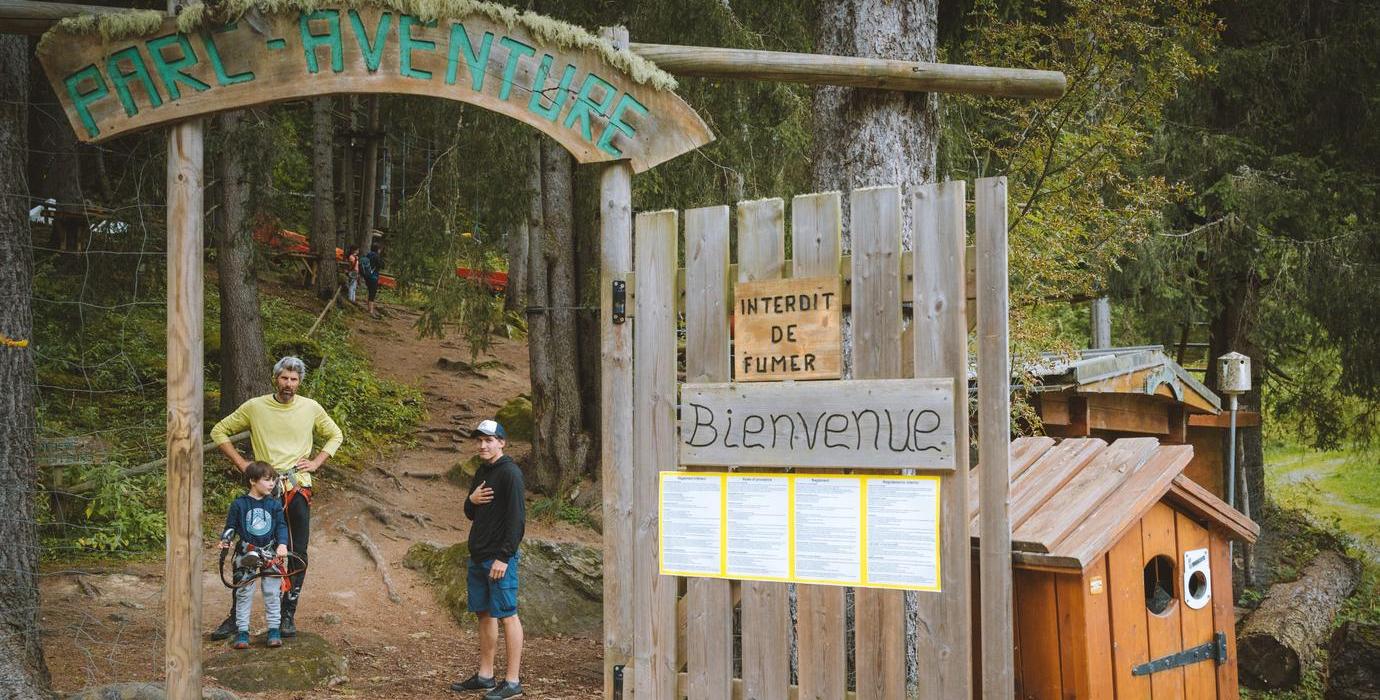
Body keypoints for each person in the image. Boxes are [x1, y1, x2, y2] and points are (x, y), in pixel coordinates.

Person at [207, 356, 344, 641]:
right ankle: (236, 617)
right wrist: (243, 465)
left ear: (300, 382)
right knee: (247, 549)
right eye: (284, 378)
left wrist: (317, 462)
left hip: (297, 488)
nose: (289, 384)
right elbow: (219, 431)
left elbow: (335, 435)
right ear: (275, 378)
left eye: (294, 380)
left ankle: (286, 615)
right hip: (262, 490)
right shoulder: (256, 406)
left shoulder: (310, 408)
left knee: (296, 550)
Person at [451, 420, 525, 699]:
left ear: (502, 442)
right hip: (478, 555)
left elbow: (517, 520)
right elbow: (471, 512)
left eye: (489, 440)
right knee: (484, 613)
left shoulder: (510, 474)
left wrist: (504, 557)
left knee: (507, 614)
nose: (483, 445)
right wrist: (471, 499)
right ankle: (485, 675)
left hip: (498, 558)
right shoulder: (483, 470)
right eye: (479, 440)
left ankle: (513, 682)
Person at [219, 461, 290, 649]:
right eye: (267, 480)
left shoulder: (274, 505)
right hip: (246, 552)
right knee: (243, 592)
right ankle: (242, 631)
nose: (272, 484)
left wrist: (282, 544)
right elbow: (231, 527)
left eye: (273, 480)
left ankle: (274, 629)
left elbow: (281, 526)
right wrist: (225, 539)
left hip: (270, 552)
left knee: (272, 592)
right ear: (252, 480)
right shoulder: (239, 504)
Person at [361, 242, 382, 317]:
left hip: (367, 276)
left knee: (370, 292)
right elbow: (380, 265)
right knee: (372, 294)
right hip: (374, 277)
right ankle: (371, 311)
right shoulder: (376, 256)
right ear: (378, 249)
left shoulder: (368, 254)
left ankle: (369, 308)